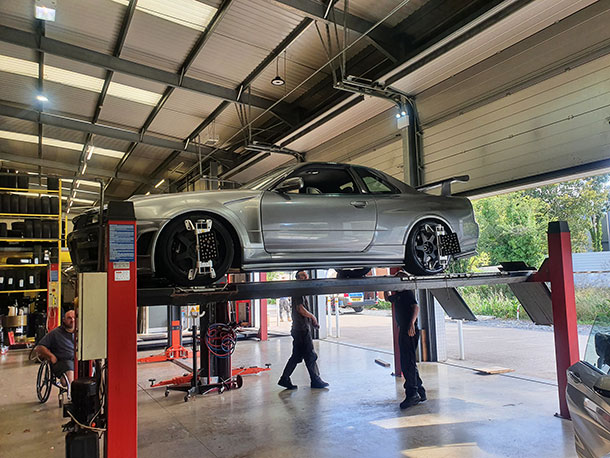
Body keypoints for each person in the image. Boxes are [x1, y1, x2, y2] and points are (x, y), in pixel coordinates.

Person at [278, 270, 329, 390]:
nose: (307, 277)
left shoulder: (301, 291)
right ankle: (315, 380)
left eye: (307, 275)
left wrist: (311, 321)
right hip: (301, 331)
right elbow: (300, 309)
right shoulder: (298, 291)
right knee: (310, 355)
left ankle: (284, 379)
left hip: (299, 329)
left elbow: (301, 311)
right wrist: (312, 316)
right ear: (298, 278)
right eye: (304, 276)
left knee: (296, 356)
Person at [387, 279, 426, 409]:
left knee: (407, 363)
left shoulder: (407, 294)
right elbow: (387, 298)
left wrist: (411, 323)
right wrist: (384, 284)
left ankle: (412, 395)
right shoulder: (398, 296)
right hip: (404, 329)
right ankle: (420, 391)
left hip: (409, 331)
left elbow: (416, 307)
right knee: (410, 362)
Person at [35, 309, 76, 386]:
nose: (72, 320)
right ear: (64, 320)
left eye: (74, 317)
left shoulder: (80, 332)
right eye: (69, 318)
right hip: (64, 362)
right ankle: (73, 393)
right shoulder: (55, 333)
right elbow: (40, 347)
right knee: (69, 371)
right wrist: (51, 356)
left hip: (78, 361)